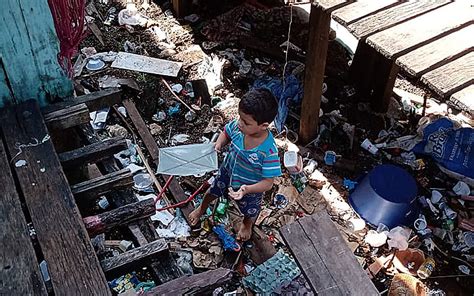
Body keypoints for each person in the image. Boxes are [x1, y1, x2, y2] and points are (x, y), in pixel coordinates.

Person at [189, 88, 282, 241]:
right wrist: (219, 143)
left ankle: (246, 224)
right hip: (227, 172)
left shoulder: (268, 150)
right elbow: (226, 132)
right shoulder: (239, 129)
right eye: (240, 118)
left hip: (250, 186)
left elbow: (268, 183)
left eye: (246, 122)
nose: (239, 123)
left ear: (264, 126)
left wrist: (247, 189)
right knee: (212, 191)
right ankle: (201, 208)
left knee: (250, 210)